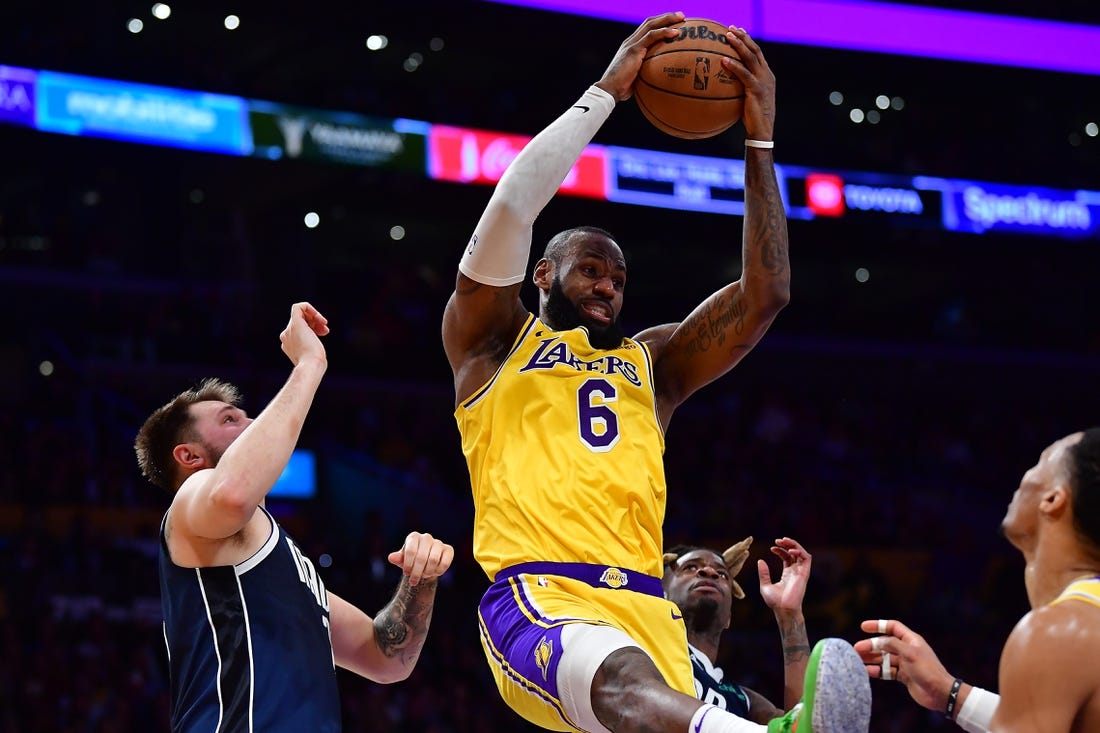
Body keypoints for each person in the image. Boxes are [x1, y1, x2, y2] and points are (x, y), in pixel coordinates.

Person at [441, 11, 870, 733]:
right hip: (542, 591)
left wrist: (759, 140)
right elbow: (513, 204)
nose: (609, 285)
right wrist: (604, 95)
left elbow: (766, 294)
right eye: (592, 269)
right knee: (623, 680)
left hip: (648, 606)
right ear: (543, 273)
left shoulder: (653, 363)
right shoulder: (491, 341)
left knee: (656, 696)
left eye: (620, 277)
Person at [134, 302, 454, 733]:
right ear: (189, 455)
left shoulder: (286, 561)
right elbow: (230, 494)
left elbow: (388, 658)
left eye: (248, 415)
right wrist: (309, 362)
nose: (251, 425)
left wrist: (420, 579)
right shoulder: (192, 502)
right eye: (230, 420)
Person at [855, 428, 1100, 733]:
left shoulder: (1054, 632)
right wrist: (949, 693)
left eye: (1040, 462)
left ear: (1053, 499)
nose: (1025, 475)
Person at [662, 537, 815, 724]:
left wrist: (789, 615)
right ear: (661, 595)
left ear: (729, 617)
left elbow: (801, 726)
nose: (710, 571)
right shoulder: (645, 656)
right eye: (691, 567)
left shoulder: (744, 701)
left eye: (723, 574)